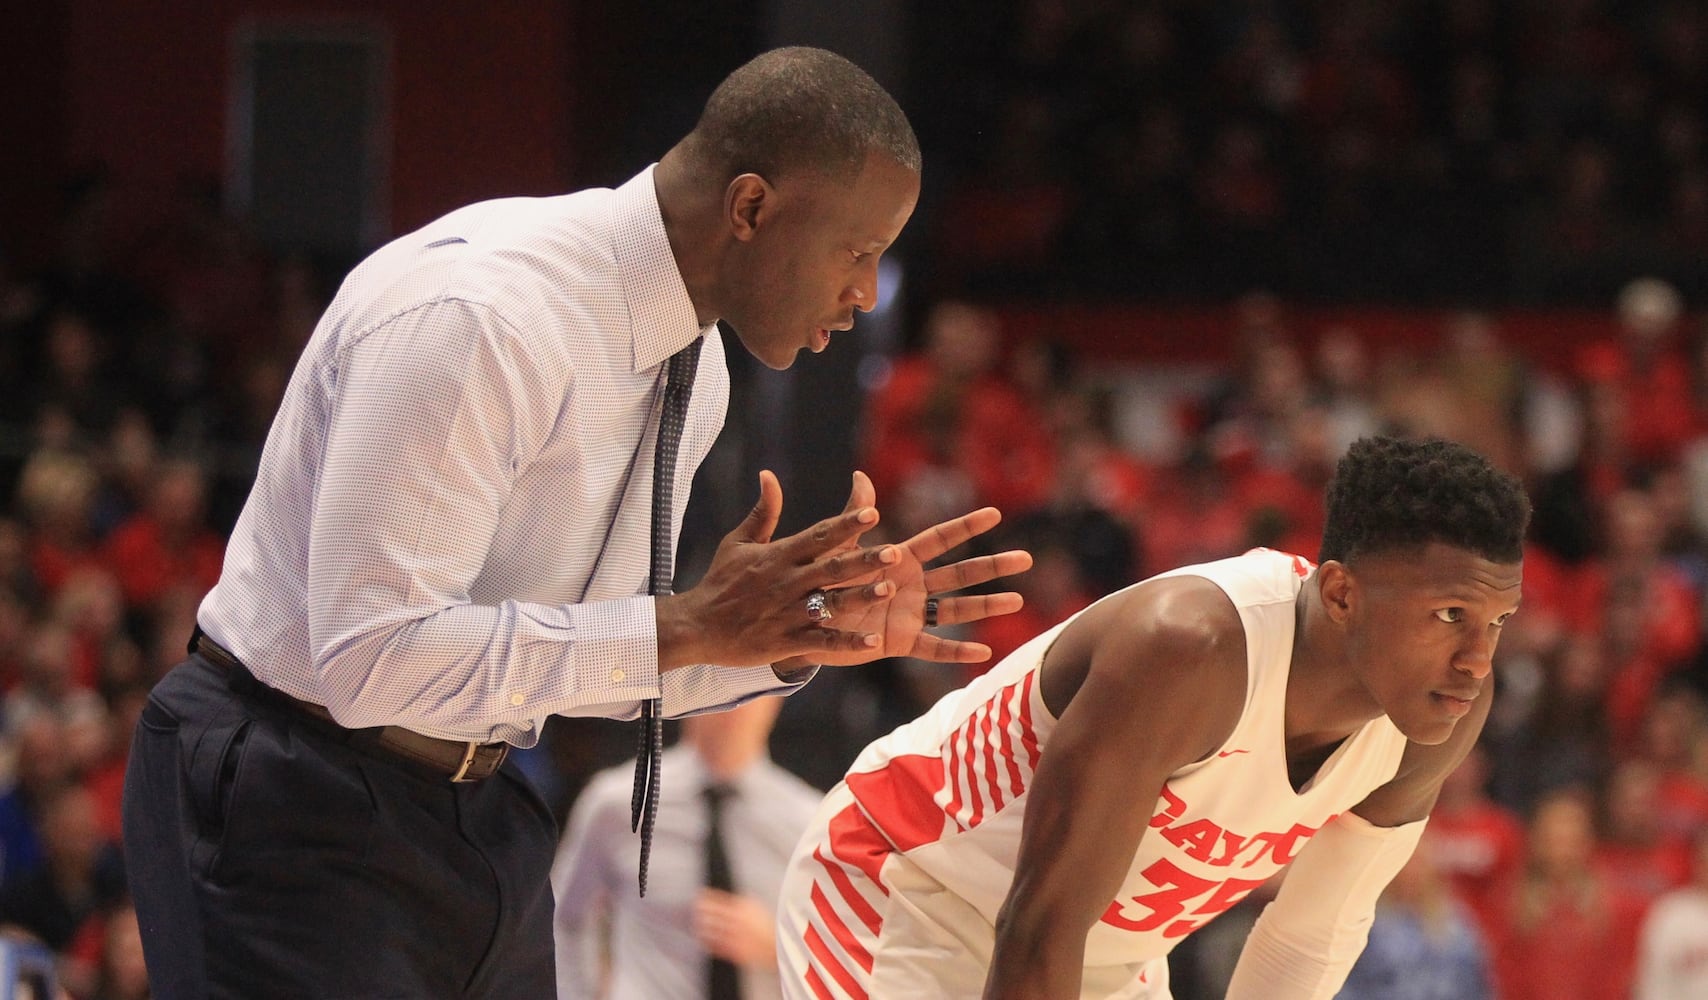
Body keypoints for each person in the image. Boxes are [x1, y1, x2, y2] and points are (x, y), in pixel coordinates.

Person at [122, 46, 1032, 1000]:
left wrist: (794, 630)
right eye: (858, 251)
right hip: (291, 789)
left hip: (476, 798)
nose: (865, 292)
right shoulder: (481, 315)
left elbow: (590, 661)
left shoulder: (698, 366)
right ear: (753, 207)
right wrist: (687, 624)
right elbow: (369, 661)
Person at [778, 434, 1530, 1000]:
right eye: (1450, 613)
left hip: (1103, 962)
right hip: (909, 885)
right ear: (1340, 595)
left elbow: (1309, 938)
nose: (1475, 658)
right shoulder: (1190, 650)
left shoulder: (1441, 713)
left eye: (1497, 621)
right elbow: (1041, 920)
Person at [552, 696, 821, 998]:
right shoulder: (619, 803)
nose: (735, 700)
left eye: (755, 686)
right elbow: (565, 920)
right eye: (722, 678)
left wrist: (780, 948)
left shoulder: (811, 822)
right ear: (687, 688)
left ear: (777, 698)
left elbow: (848, 956)